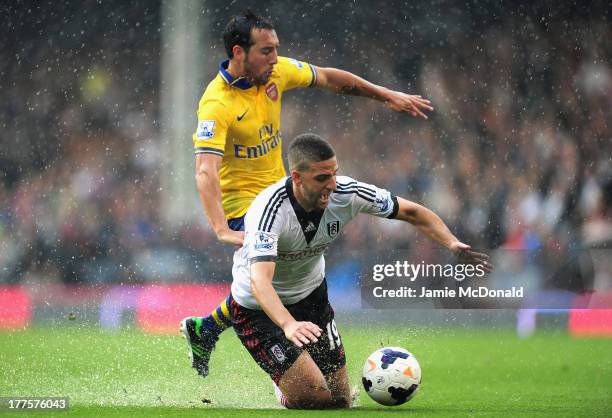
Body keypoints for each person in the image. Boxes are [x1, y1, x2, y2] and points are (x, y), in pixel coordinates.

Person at [182, 10, 434, 378]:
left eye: (276, 50)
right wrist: (221, 227)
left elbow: (332, 79)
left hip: (280, 191)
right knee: (273, 275)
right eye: (266, 51)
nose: (274, 58)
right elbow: (205, 170)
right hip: (245, 208)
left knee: (289, 268)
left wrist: (385, 95)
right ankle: (229, 333)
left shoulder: (276, 73)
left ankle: (206, 328)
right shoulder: (216, 104)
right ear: (239, 52)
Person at [229, 133, 490, 409]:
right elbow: (260, 281)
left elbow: (412, 213)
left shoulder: (347, 193)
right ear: (296, 177)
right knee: (314, 397)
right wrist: (288, 324)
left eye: (334, 174)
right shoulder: (268, 210)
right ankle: (285, 382)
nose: (331, 185)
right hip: (257, 309)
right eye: (321, 178)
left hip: (310, 297)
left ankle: (298, 375)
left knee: (340, 399)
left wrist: (451, 243)